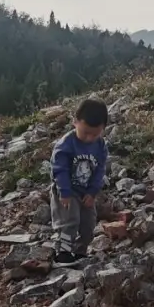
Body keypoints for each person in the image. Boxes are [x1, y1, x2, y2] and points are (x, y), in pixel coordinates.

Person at [50, 98, 108, 264]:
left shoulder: (100, 146)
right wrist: (64, 191)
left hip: (86, 191)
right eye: (85, 133)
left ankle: (80, 252)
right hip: (67, 191)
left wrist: (93, 192)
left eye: (95, 134)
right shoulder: (65, 145)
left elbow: (100, 170)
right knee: (69, 221)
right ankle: (63, 252)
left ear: (103, 128)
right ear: (75, 122)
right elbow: (60, 170)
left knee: (89, 224)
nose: (89, 138)